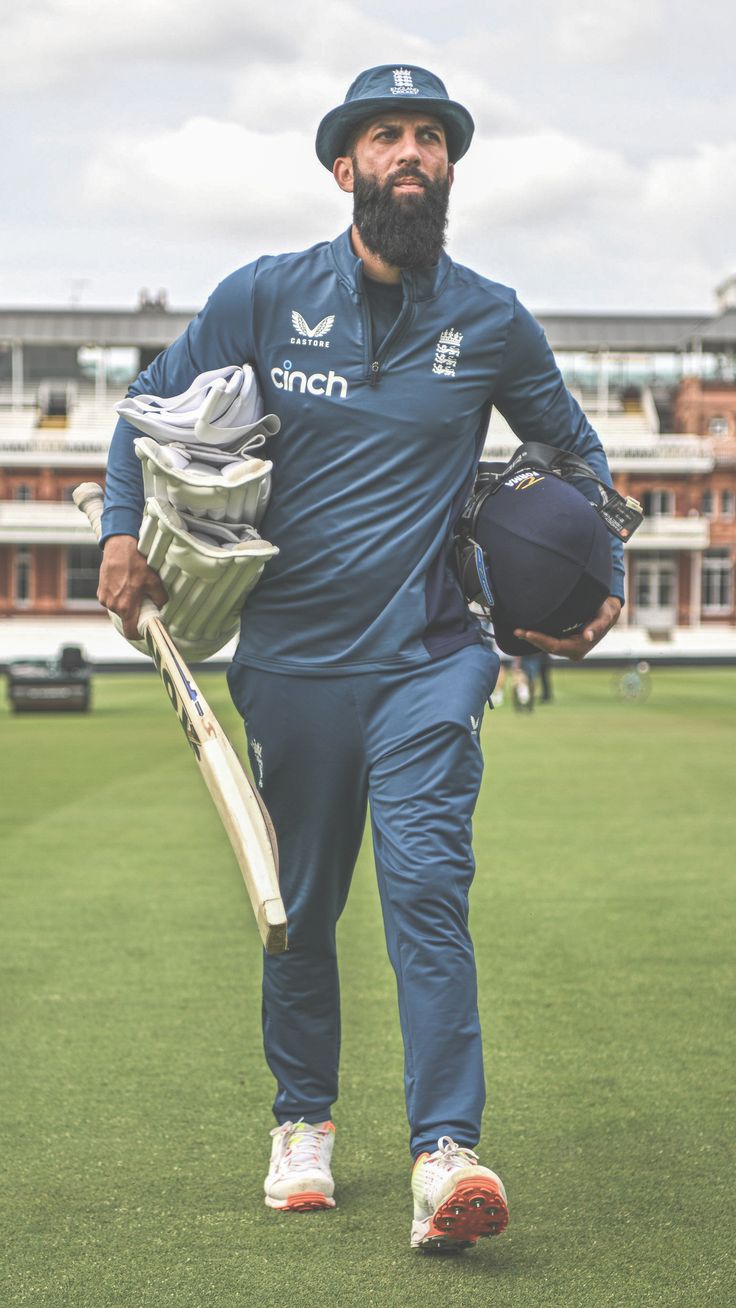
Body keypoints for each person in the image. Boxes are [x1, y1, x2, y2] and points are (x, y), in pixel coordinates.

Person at [98, 64, 624, 1252]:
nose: (409, 153)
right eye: (385, 135)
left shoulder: (490, 320)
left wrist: (606, 581)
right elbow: (146, 406)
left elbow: (581, 463)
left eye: (428, 138)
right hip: (289, 663)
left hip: (431, 661)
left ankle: (447, 1156)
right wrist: (120, 529)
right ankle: (304, 1123)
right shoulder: (265, 297)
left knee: (429, 891)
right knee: (303, 908)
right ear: (344, 167)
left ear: (447, 168)